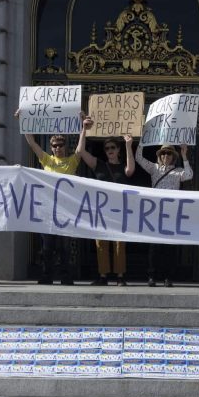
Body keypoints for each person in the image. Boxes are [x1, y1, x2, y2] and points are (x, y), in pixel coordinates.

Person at [19, 111, 81, 285]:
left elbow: (81, 148)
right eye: (54, 145)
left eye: (61, 144)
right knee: (47, 247)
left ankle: (66, 277)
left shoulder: (72, 161)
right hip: (47, 211)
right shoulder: (47, 160)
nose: (58, 147)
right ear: (51, 146)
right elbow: (32, 144)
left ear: (65, 146)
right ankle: (46, 275)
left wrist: (84, 128)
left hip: (66, 212)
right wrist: (23, 122)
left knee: (65, 247)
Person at [76, 119, 135, 285]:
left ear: (118, 150)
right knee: (101, 243)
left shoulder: (123, 166)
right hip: (101, 210)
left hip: (119, 210)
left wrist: (129, 145)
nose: (109, 150)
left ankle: (120, 276)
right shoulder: (99, 165)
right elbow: (80, 151)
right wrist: (84, 130)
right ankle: (103, 276)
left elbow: (130, 170)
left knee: (119, 243)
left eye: (113, 148)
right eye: (107, 148)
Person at [134, 141, 192, 287]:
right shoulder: (154, 168)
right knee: (154, 247)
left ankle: (168, 277)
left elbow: (189, 175)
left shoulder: (178, 171)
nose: (166, 156)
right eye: (164, 153)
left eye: (169, 153)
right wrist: (142, 141)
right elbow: (138, 158)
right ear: (160, 156)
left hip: (171, 213)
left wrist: (185, 156)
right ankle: (152, 276)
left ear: (173, 157)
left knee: (169, 248)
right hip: (155, 212)